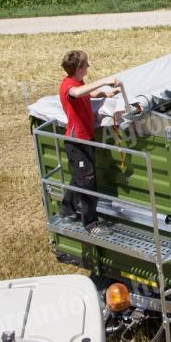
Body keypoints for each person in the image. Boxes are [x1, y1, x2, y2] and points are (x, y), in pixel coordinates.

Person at [59, 50, 121, 236]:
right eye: (86, 64)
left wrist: (106, 94)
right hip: (78, 142)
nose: (89, 66)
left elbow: (88, 92)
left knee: (79, 177)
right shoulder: (68, 86)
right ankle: (91, 225)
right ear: (78, 68)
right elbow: (77, 93)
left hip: (84, 139)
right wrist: (104, 80)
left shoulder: (77, 81)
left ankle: (67, 209)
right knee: (87, 182)